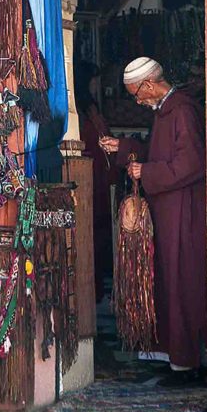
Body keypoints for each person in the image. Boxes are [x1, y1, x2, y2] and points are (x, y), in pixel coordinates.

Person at [100, 57, 207, 386]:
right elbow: (161, 152)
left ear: (148, 85)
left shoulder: (182, 110)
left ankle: (188, 362)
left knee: (181, 283)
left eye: (136, 94)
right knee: (165, 282)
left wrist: (147, 171)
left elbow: (191, 163)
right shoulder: (167, 110)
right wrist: (127, 148)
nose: (137, 100)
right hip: (167, 210)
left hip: (182, 212)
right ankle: (173, 357)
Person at [75, 60, 120, 304]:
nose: (96, 85)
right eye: (93, 80)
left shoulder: (91, 110)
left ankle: (100, 286)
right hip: (90, 176)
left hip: (101, 176)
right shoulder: (82, 113)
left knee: (101, 230)